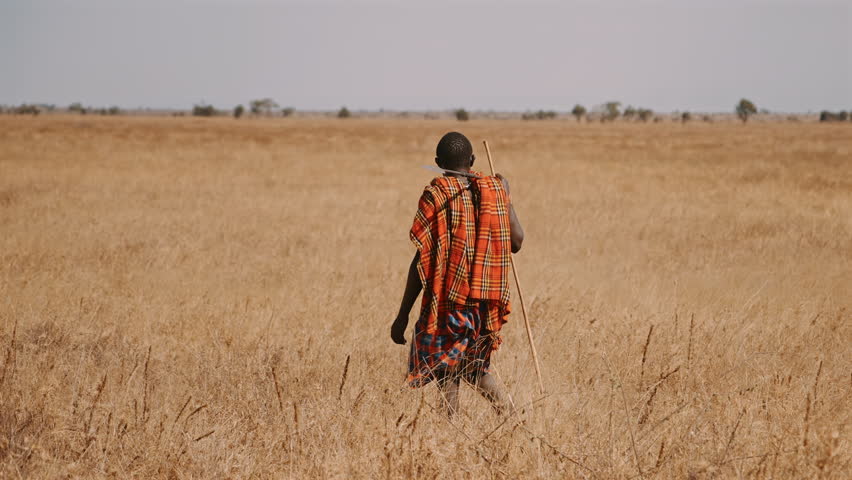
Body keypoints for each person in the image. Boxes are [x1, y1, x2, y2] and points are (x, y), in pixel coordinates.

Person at [390, 131, 524, 417]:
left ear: (438, 162)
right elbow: (517, 241)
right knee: (474, 367)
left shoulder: (436, 195)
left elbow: (421, 259)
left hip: (453, 299)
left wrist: (403, 315)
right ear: (472, 160)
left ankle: (451, 430)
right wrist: (506, 197)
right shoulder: (494, 192)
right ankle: (511, 416)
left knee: (449, 368)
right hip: (486, 300)